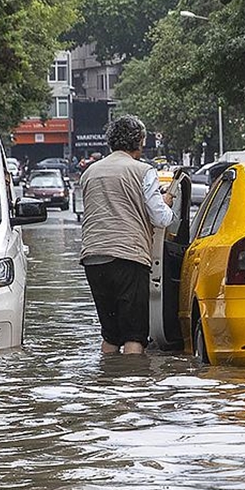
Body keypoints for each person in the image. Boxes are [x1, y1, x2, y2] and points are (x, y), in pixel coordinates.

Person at [79, 116, 174, 354]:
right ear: (140, 141)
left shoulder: (90, 172)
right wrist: (167, 202)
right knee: (134, 336)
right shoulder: (143, 171)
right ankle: (131, 384)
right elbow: (160, 218)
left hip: (93, 258)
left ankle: (107, 380)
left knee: (110, 335)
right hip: (128, 257)